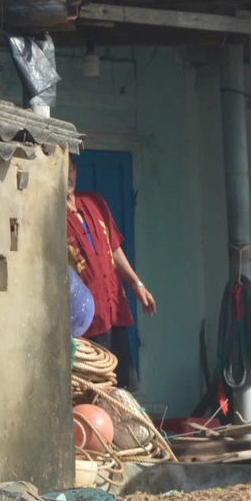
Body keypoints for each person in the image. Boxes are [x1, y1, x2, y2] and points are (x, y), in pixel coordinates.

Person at [67, 155, 155, 390]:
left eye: (71, 168)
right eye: (61, 169)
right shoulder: (52, 216)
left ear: (76, 170)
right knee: (93, 389)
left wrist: (137, 285)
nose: (67, 176)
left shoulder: (94, 202)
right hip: (85, 320)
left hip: (114, 308)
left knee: (123, 385)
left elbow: (114, 249)